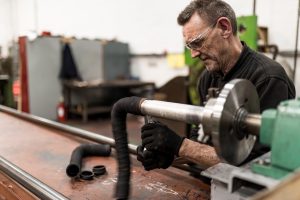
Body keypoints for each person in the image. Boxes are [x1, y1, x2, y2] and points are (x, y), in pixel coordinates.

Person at [137, 0, 295, 170]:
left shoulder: (268, 78)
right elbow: (200, 143)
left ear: (225, 28)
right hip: (210, 180)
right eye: (190, 46)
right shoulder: (207, 78)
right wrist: (169, 155)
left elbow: (257, 165)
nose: (194, 54)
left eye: (198, 42)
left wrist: (181, 146)